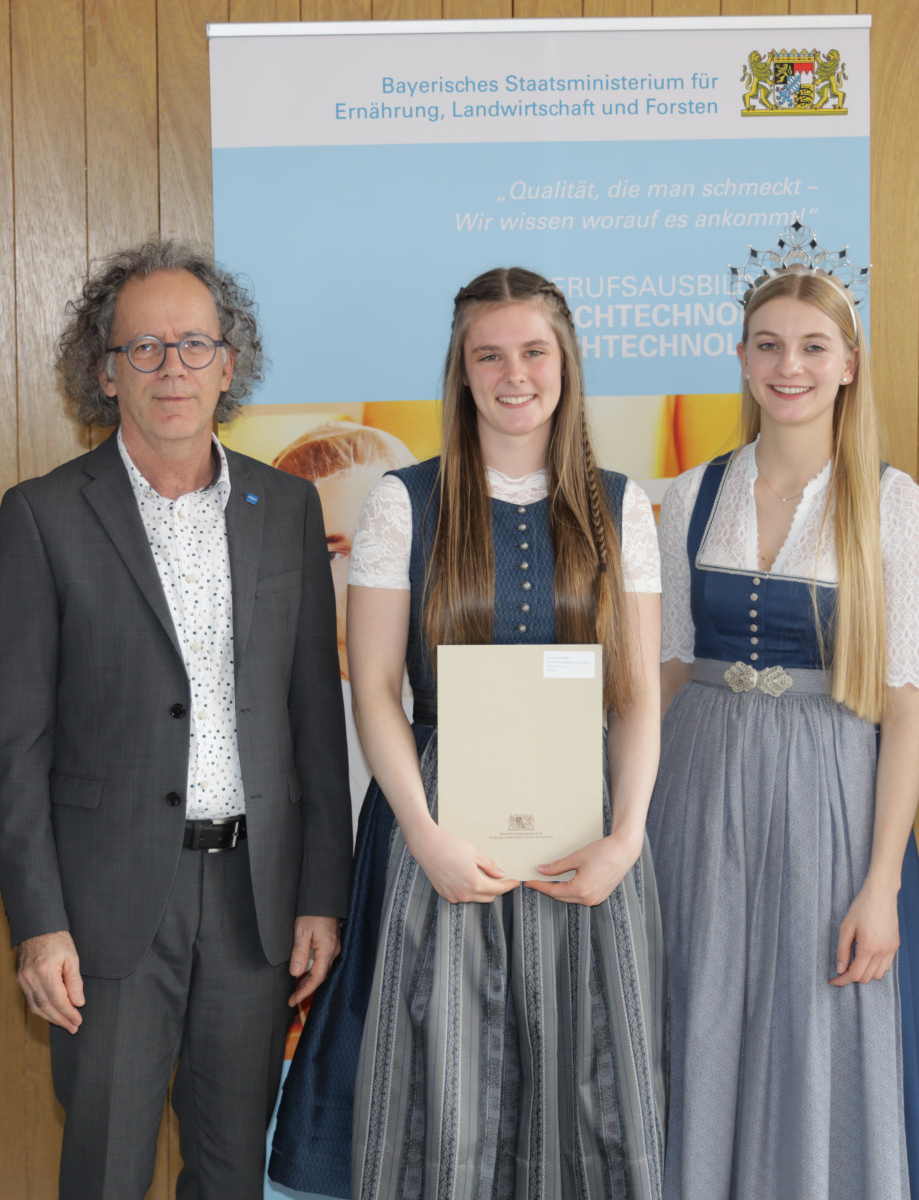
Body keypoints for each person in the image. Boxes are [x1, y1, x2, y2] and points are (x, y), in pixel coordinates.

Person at [285, 266, 669, 1196]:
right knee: (443, 1102)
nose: (513, 375)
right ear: (460, 371)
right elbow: (377, 693)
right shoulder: (403, 501)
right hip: (439, 835)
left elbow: (636, 697)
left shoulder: (621, 506)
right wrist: (424, 838)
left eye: (533, 351)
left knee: (588, 1100)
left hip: (585, 840)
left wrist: (625, 839)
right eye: (488, 355)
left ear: (566, 364)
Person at [0, 241, 351, 1199]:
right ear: (105, 371)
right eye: (143, 348)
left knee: (231, 1176)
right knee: (106, 1170)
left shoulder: (288, 508)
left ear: (229, 364)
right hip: (106, 914)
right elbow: (16, 749)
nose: (171, 369)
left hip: (254, 904)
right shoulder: (43, 516)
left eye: (194, 346)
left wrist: (321, 894)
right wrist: (40, 925)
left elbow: (316, 720)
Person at [649, 262, 919, 1199]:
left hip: (829, 798)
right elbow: (663, 672)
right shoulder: (692, 495)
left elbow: (908, 711)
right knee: (696, 1007)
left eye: (814, 347)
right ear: (741, 358)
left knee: (816, 1021)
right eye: (770, 345)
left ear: (850, 363)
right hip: (696, 789)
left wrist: (882, 884)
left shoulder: (895, 506)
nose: (791, 366)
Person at [272, 420, 418, 817]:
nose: (364, 574)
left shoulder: (459, 695)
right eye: (332, 554)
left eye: (382, 542)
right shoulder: (281, 720)